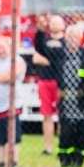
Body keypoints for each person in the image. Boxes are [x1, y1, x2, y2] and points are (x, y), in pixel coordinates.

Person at [35, 22, 84, 167]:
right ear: (65, 38)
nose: (72, 39)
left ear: (81, 38)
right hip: (66, 101)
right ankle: (65, 162)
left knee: (83, 132)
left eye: (76, 36)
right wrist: (41, 31)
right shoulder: (59, 54)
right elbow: (40, 48)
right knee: (66, 133)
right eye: (70, 36)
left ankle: (78, 162)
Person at [0, 36, 26, 167]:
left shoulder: (17, 61)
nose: (0, 50)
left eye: (3, 47)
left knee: (13, 136)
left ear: (10, 48)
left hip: (11, 106)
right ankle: (0, 163)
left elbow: (12, 76)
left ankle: (13, 163)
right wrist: (3, 77)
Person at [32, 15, 65, 155]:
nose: (55, 25)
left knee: (63, 116)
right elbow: (36, 56)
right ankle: (48, 147)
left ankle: (63, 145)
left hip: (61, 82)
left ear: (63, 25)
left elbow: (63, 60)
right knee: (46, 115)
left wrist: (47, 60)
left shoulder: (67, 41)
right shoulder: (43, 40)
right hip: (44, 81)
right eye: (53, 22)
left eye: (58, 23)